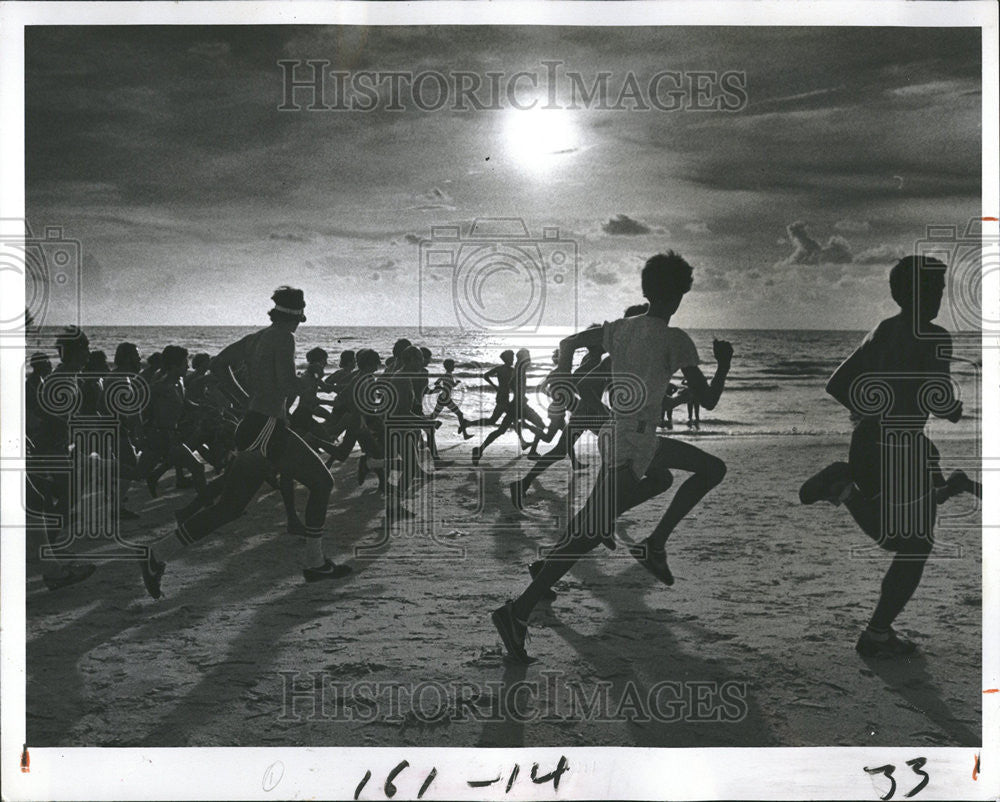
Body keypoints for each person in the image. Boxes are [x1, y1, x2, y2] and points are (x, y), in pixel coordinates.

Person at [491, 251, 733, 661]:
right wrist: (723, 365)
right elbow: (708, 401)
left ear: (646, 289)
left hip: (626, 437)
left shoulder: (619, 328)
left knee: (679, 475)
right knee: (588, 532)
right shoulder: (676, 340)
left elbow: (568, 343)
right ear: (680, 295)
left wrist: (563, 377)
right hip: (631, 443)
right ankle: (517, 610)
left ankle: (652, 543)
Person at [798, 255, 980, 657]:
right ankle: (876, 633)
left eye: (939, 290)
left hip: (867, 443)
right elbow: (939, 398)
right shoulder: (934, 337)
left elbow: (837, 384)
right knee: (911, 544)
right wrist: (951, 408)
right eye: (929, 290)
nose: (935, 297)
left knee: (901, 539)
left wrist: (872, 411)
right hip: (900, 447)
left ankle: (878, 631)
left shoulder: (880, 330)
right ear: (905, 293)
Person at [138, 287, 351, 599]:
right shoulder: (284, 337)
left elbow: (218, 364)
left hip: (254, 424)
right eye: (301, 316)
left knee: (229, 507)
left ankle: (158, 553)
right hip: (267, 427)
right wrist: (310, 381)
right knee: (321, 482)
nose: (300, 323)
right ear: (296, 315)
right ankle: (314, 561)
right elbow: (286, 383)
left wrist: (243, 398)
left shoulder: (257, 338)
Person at [26, 327, 97, 590]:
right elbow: (49, 418)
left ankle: (47, 553)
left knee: (48, 500)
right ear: (75, 352)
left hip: (55, 448)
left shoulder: (69, 376)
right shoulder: (62, 379)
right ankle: (48, 554)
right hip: (48, 449)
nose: (89, 353)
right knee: (57, 497)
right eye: (86, 349)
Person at [465, 350, 515, 428]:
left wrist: (495, 386)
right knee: (495, 420)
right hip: (503, 397)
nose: (513, 360)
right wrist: (495, 386)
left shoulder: (500, 369)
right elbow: (485, 376)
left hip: (502, 396)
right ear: (507, 359)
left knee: (498, 419)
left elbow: (485, 376)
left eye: (513, 358)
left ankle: (468, 424)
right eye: (512, 358)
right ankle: (468, 424)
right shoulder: (511, 371)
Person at [430, 358, 473, 439]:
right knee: (460, 414)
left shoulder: (444, 375)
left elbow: (436, 383)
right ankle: (465, 434)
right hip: (446, 399)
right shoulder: (449, 375)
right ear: (449, 366)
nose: (454, 367)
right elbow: (453, 385)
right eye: (453, 365)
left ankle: (423, 423)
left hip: (443, 398)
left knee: (433, 416)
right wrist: (457, 382)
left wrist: (441, 388)